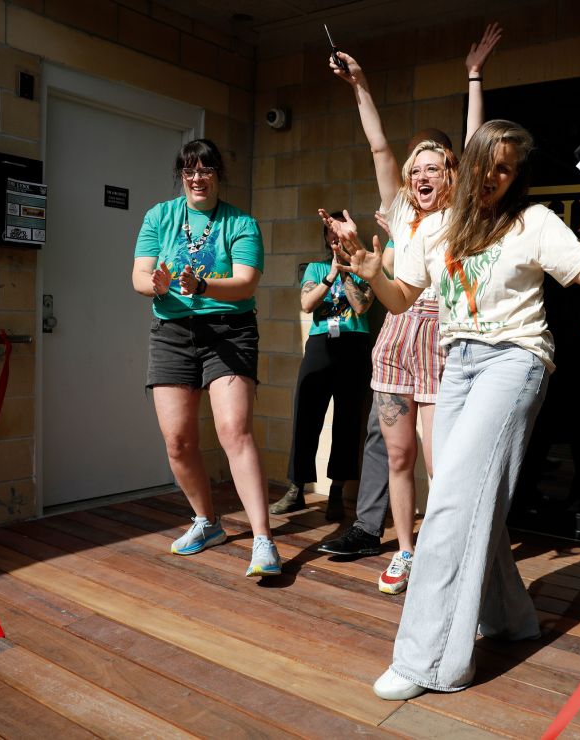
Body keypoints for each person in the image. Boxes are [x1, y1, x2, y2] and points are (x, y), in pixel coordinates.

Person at [324, 118, 580, 700]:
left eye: (506, 167)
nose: (493, 175)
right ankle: (512, 617)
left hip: (515, 360)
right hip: (455, 359)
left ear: (517, 176)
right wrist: (370, 271)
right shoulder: (443, 228)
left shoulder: (532, 222)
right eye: (487, 162)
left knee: (454, 499)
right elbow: (402, 297)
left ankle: (428, 661)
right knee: (467, 495)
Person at [307, 25, 502, 596]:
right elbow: (379, 147)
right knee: (397, 456)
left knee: (442, 465)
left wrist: (473, 76)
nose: (420, 174)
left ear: (452, 176)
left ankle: (447, 552)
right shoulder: (400, 211)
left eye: (432, 166)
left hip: (443, 338)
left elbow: (475, 142)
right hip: (395, 336)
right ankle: (408, 551)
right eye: (415, 167)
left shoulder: (461, 212)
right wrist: (360, 84)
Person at [131, 138, 281, 577]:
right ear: (182, 175)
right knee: (177, 440)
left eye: (206, 170)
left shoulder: (241, 223)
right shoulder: (160, 216)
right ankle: (206, 521)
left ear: (218, 173)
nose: (198, 178)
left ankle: (263, 540)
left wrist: (202, 287)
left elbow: (246, 282)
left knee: (234, 430)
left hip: (229, 330)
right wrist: (158, 284)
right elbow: (139, 275)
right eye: (189, 171)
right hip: (173, 332)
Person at [274, 212, 374, 521]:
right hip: (320, 345)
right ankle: (296, 489)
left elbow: (360, 305)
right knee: (306, 415)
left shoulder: (365, 270)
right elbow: (306, 304)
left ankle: (336, 492)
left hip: (354, 346)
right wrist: (330, 274)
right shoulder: (315, 269)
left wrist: (346, 271)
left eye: (340, 234)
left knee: (348, 421)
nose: (335, 239)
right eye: (330, 234)